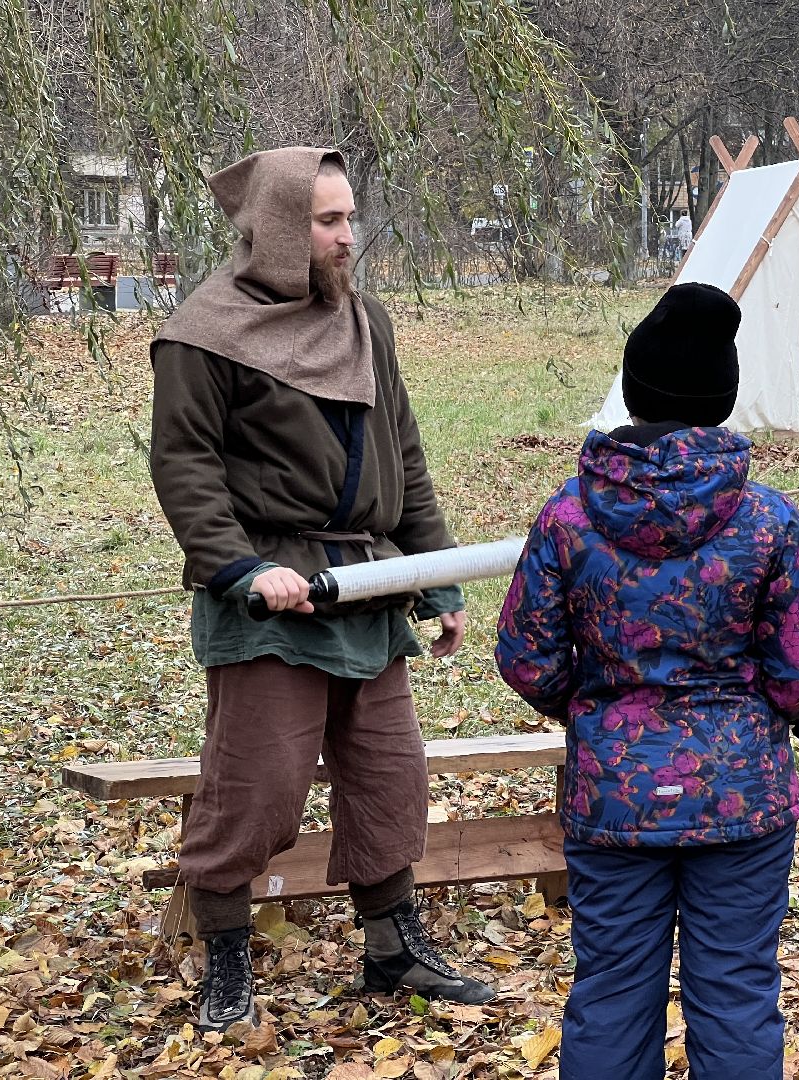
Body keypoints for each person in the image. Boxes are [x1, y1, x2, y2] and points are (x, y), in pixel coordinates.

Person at [149, 146, 495, 1032]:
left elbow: (404, 458)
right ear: (276, 229)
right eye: (329, 221)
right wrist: (245, 571)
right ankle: (226, 964)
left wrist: (439, 578)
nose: (350, 238)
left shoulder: (365, 320)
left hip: (369, 587)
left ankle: (393, 950)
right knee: (255, 790)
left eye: (350, 218)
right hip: (270, 597)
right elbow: (183, 467)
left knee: (390, 778)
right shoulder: (203, 333)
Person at [495, 283, 799, 1080]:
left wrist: (595, 712)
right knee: (736, 994)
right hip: (743, 796)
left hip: (613, 797)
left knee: (613, 992)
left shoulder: (569, 518)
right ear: (721, 399)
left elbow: (526, 654)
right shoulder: (768, 521)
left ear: (633, 387)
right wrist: (760, 716)